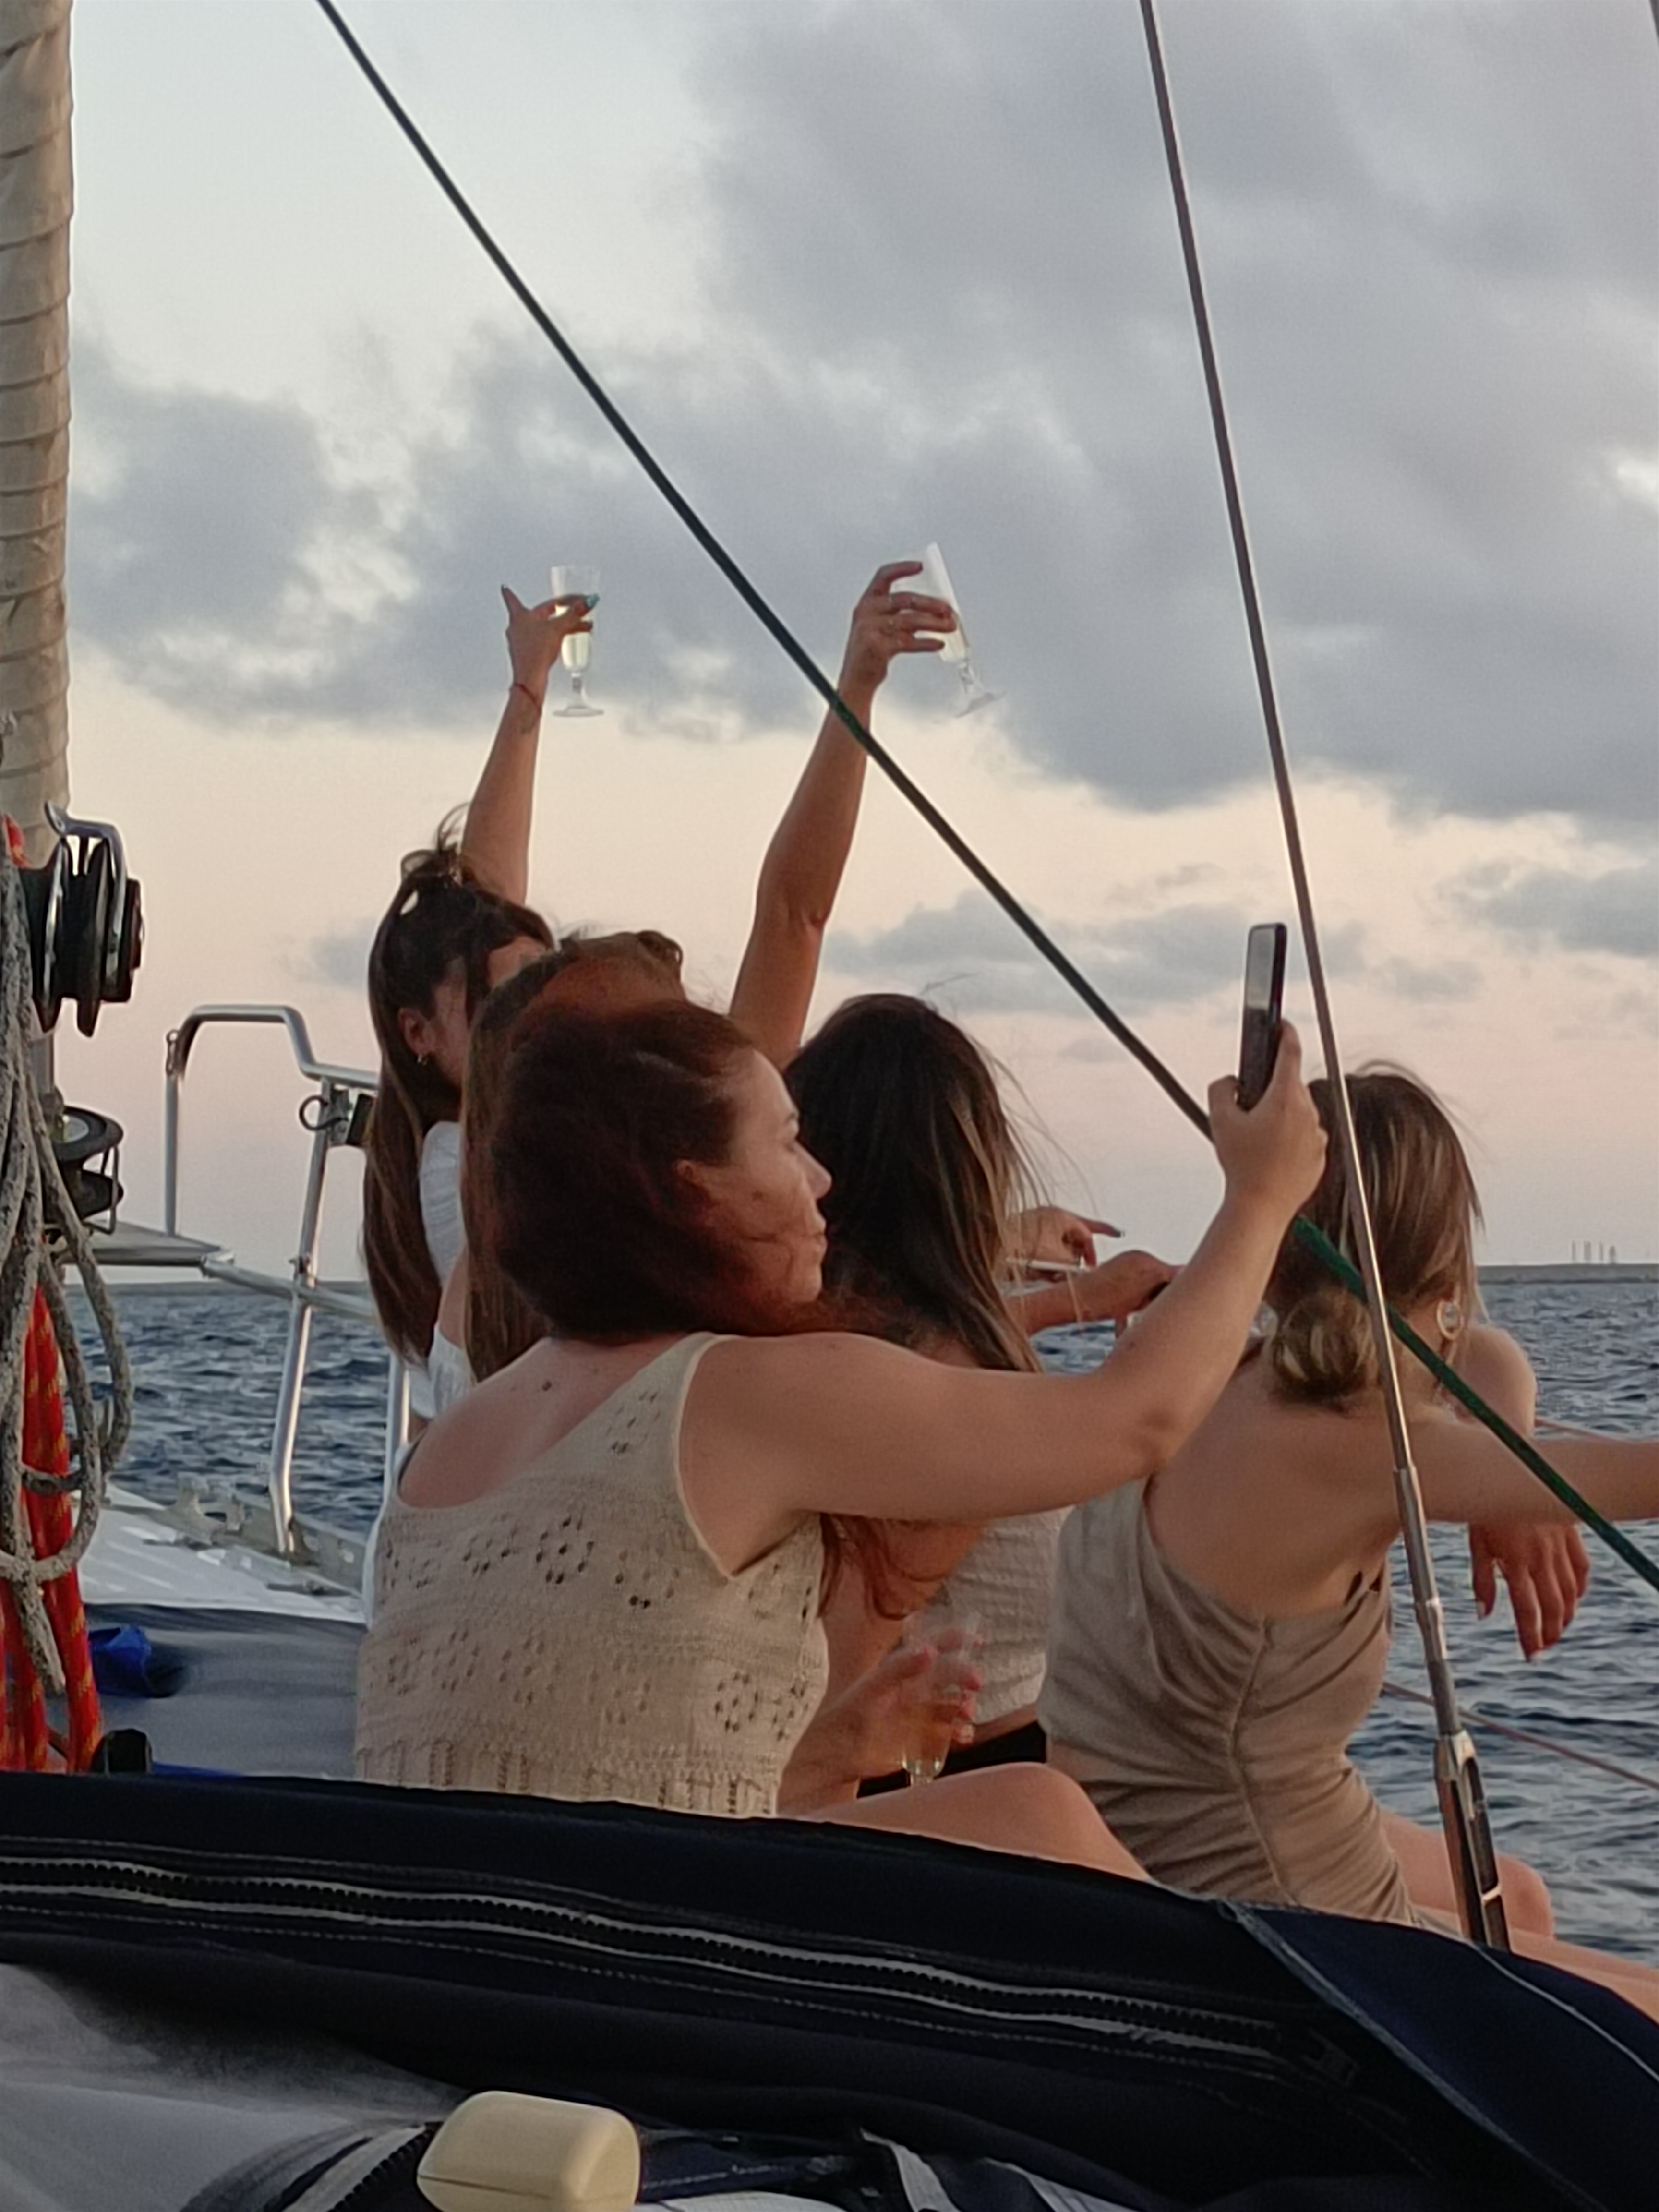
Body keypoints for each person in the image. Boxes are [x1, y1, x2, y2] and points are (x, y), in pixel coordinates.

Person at [355, 995, 1327, 1875]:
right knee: (1040, 1815)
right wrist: (1260, 1199)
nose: (821, 1180)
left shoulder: (463, 1430)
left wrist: (825, 1747)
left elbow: (586, 1758)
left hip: (459, 1932)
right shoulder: (742, 1391)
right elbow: (1138, 1420)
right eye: (786, 1144)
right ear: (699, 1194)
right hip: (620, 1945)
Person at [1039, 1066, 1659, 2020]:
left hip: (1170, 1851)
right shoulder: (1364, 1448)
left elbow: (1485, 1358)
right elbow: (1639, 1477)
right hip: (1277, 1921)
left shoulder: (1188, 1373)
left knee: (1521, 1895)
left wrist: (1518, 1471)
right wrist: (1524, 1480)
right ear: (1445, 1256)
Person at [367, 564, 956, 1419]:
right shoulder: (497, 1184)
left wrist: (856, 692)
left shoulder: (533, 1172)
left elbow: (794, 915)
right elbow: (792, 917)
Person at [785, 994, 1174, 1786]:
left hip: (1003, 1761)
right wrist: (1262, 1200)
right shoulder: (939, 1383)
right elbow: (1143, 1420)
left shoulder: (823, 1350)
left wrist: (1073, 1294)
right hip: (954, 1780)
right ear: (971, 1166)